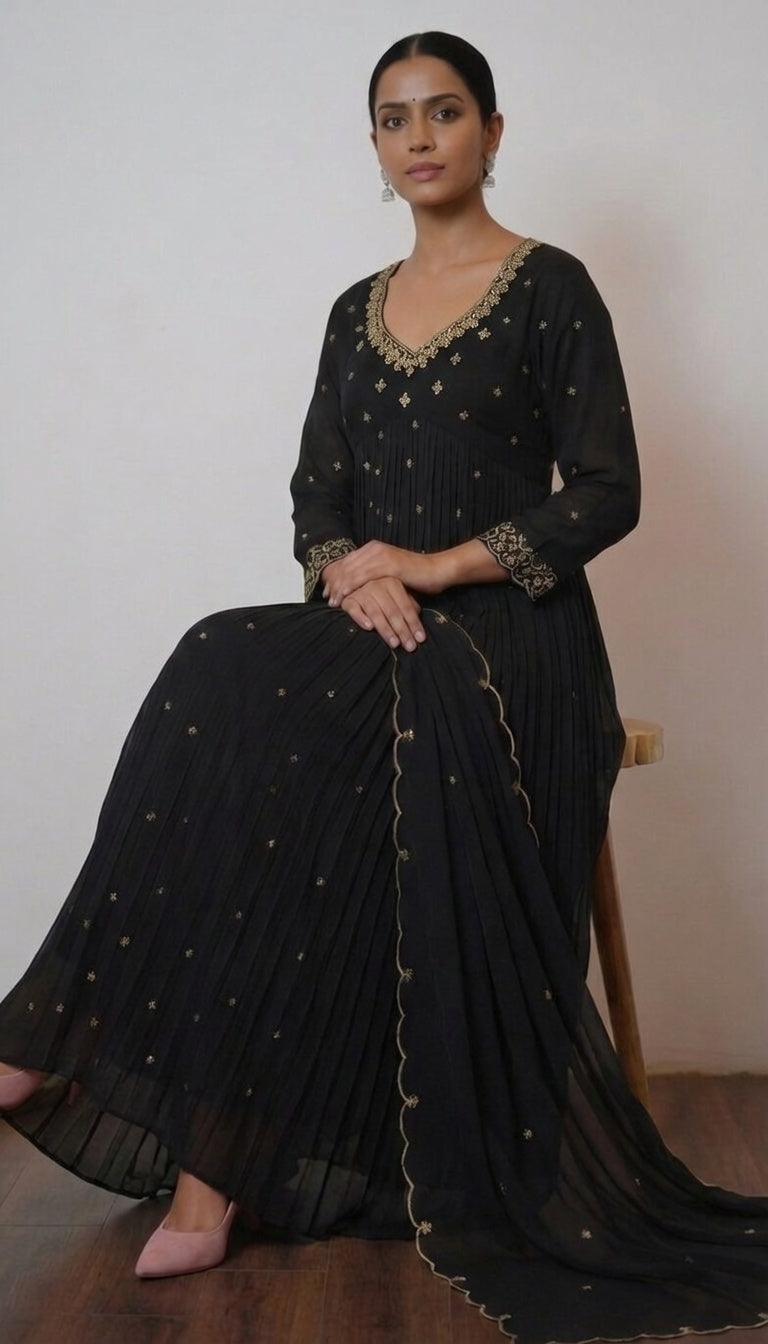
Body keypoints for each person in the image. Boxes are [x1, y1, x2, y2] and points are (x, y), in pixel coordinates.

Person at [1, 29, 766, 1342]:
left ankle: (181, 1144)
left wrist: (434, 564)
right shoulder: (352, 312)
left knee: (252, 698)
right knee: (228, 677)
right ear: (373, 146)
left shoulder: (551, 288)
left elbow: (607, 491)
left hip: (516, 643)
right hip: (383, 631)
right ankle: (183, 1137)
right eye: (395, 118)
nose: (420, 137)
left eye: (445, 112)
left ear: (493, 131)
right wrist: (352, 576)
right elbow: (318, 500)